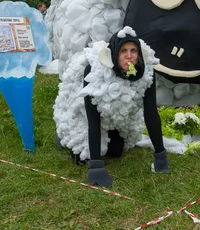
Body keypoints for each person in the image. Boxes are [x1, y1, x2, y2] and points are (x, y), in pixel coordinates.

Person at [54, 26, 168, 187]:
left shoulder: (146, 73)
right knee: (81, 159)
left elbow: (150, 114)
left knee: (116, 152)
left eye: (133, 50)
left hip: (114, 119)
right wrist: (96, 166)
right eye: (123, 51)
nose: (129, 56)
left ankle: (110, 134)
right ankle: (65, 138)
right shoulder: (93, 73)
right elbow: (92, 120)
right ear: (114, 53)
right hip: (85, 118)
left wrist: (160, 156)